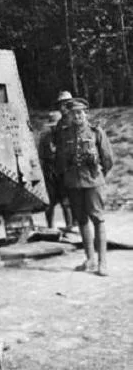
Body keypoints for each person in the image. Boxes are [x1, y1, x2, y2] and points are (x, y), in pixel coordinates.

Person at [54, 97, 114, 276]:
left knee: (98, 219)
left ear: (86, 113)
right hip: (73, 183)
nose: (77, 116)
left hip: (93, 182)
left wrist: (99, 175)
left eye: (80, 112)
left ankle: (102, 262)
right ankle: (90, 259)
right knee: (81, 220)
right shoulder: (64, 134)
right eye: (73, 113)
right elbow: (60, 161)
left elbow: (108, 159)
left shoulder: (96, 132)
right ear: (69, 116)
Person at [38, 111, 74, 231]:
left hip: (63, 171)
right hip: (49, 172)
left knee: (66, 201)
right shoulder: (44, 138)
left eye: (57, 125)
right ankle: (50, 226)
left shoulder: (67, 136)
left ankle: (69, 226)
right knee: (49, 202)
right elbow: (41, 156)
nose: (55, 128)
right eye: (53, 126)